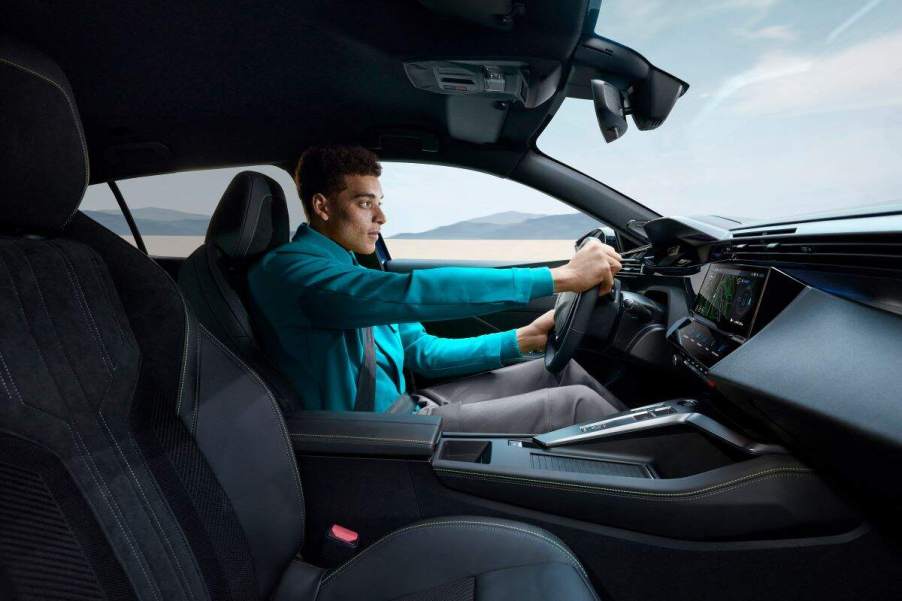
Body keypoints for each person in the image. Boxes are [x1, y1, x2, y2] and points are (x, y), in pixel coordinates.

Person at [248, 145, 626, 433]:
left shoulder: (345, 266)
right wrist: (559, 277)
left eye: (379, 203)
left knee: (563, 374)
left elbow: (422, 353)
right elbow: (412, 292)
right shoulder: (290, 273)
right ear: (322, 207)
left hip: (406, 408)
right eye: (365, 204)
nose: (382, 217)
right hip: (369, 435)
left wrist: (523, 338)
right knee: (574, 405)